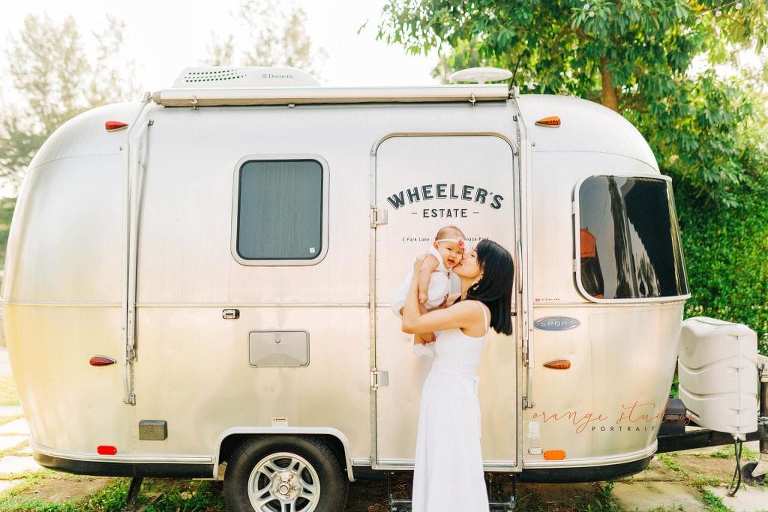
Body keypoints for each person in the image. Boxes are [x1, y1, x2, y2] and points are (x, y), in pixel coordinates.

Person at [401, 239, 514, 512]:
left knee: (448, 469)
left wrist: (419, 272)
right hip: (446, 393)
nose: (464, 255)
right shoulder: (460, 304)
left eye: (473, 255)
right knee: (447, 468)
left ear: (485, 272)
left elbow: (409, 323)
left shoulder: (471, 310)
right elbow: (422, 332)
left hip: (450, 397)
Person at [391, 225, 466, 355]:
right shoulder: (433, 258)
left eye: (459, 252)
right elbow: (423, 271)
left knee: (425, 322)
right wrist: (423, 292)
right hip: (410, 300)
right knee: (425, 324)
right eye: (449, 249)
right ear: (436, 246)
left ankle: (420, 346)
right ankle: (425, 343)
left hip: (423, 302)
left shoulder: (445, 266)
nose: (454, 255)